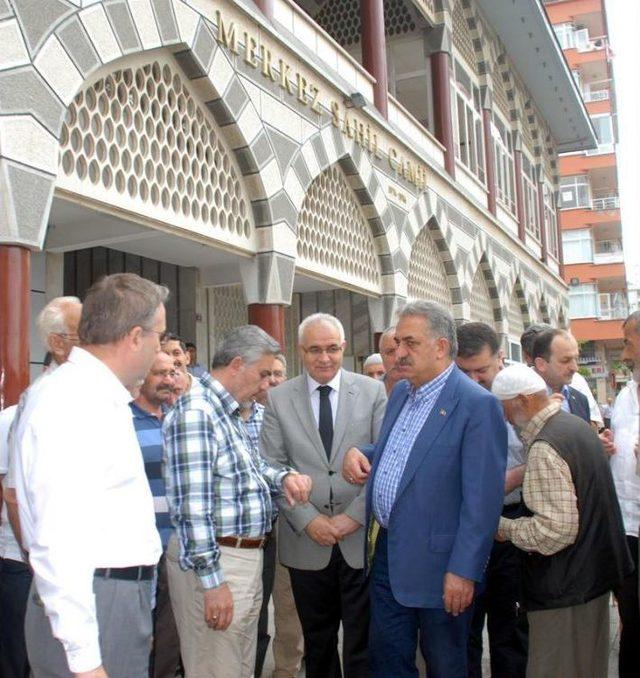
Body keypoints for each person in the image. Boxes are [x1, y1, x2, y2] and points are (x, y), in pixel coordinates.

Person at [12, 273, 168, 677]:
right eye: (159, 336)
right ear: (135, 336)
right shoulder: (73, 402)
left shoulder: (95, 395)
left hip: (109, 601)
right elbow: (57, 539)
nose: (162, 348)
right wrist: (85, 660)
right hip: (93, 603)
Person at [342, 301, 507, 678]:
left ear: (441, 347)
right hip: (386, 555)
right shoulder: (402, 393)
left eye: (410, 343)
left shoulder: (476, 406)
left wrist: (463, 571)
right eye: (398, 342)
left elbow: (482, 502)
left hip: (441, 569)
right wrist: (361, 452)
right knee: (388, 661)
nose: (398, 352)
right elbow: (402, 452)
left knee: (445, 665)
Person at [163, 326, 312, 678]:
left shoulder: (224, 412)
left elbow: (252, 467)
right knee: (216, 668)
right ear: (236, 364)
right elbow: (192, 511)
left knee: (238, 666)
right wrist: (212, 583)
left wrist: (284, 477)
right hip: (218, 561)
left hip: (240, 559)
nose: (266, 384)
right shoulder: (197, 413)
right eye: (262, 373)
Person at [261, 313, 387, 678]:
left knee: (362, 640)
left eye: (332, 348)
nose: (325, 358)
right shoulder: (279, 398)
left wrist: (353, 517)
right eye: (315, 350)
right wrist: (309, 520)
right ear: (300, 351)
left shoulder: (372, 391)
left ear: (344, 347)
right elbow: (272, 466)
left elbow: (384, 460)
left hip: (358, 539)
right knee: (318, 642)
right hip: (306, 541)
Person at [492, 363, 631, 678]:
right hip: (591, 581)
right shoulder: (575, 426)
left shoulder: (545, 445)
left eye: (503, 409)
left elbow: (554, 531)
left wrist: (503, 528)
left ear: (521, 401)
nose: (503, 418)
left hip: (564, 590)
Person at [0, 296, 81, 678]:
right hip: (27, 562)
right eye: (84, 339)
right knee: (25, 655)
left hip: (71, 562)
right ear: (57, 345)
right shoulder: (30, 407)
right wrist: (34, 554)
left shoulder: (92, 401)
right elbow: (12, 494)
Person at [455, 322, 528, 678]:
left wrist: (505, 480)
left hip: (511, 527)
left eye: (481, 370)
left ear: (501, 359)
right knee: (463, 628)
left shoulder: (524, 394)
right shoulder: (450, 398)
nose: (473, 380)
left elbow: (540, 460)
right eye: (463, 371)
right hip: (464, 530)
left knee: (509, 629)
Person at [131, 352, 181, 678]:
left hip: (177, 547)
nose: (167, 379)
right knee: (138, 636)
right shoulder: (120, 420)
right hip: (138, 549)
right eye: (158, 373)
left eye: (171, 372)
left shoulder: (178, 418)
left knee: (170, 637)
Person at [610, 310, 640, 678]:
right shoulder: (624, 395)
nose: (625, 349)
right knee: (631, 618)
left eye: (629, 340)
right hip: (626, 527)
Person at [520, 324, 603, 428]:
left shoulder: (580, 399)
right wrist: (541, 415)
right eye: (565, 361)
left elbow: (590, 432)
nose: (575, 368)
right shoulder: (519, 399)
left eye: (576, 359)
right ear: (541, 364)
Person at [379, 327, 400, 395]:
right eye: (390, 352)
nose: (397, 359)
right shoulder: (371, 391)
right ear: (381, 355)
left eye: (401, 350)